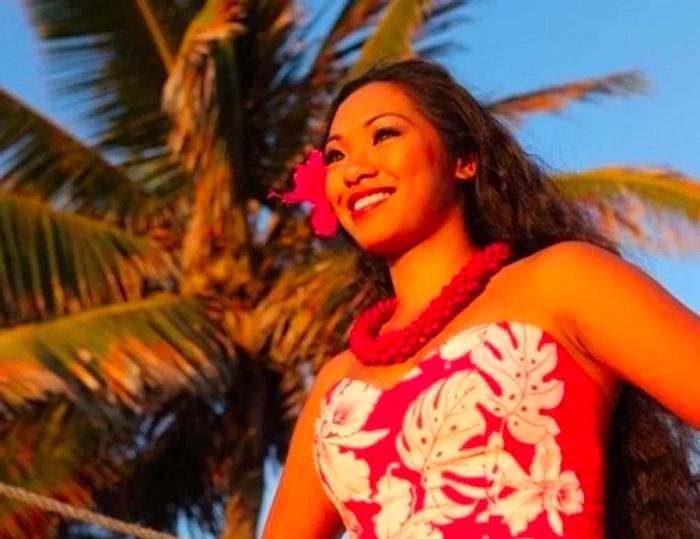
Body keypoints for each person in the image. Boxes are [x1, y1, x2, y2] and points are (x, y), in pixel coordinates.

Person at [262, 59, 700, 538]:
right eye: (335, 156)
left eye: (384, 135)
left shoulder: (561, 282)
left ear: (464, 158)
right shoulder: (336, 384)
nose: (354, 170)